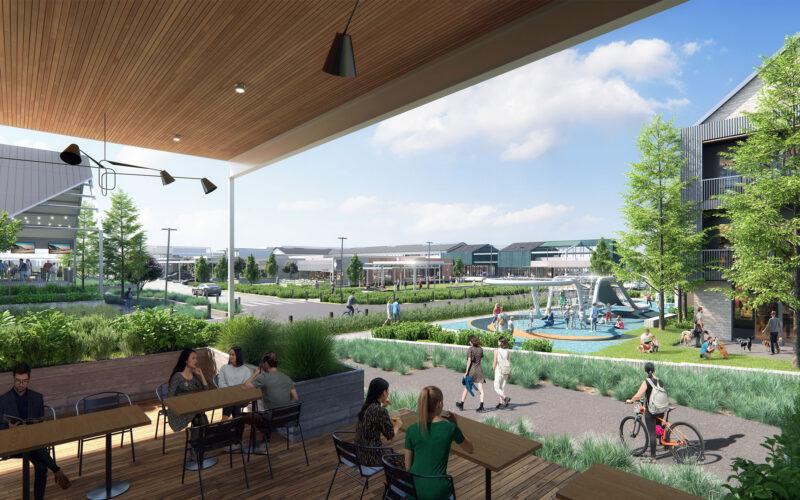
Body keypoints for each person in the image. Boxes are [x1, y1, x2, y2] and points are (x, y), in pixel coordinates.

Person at [0, 363, 71, 499]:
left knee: (41, 466)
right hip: (13, 444)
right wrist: (9, 427)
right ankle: (57, 469)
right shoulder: (2, 400)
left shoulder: (37, 398)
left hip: (32, 443)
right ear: (13, 378)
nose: (21, 384)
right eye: (18, 381)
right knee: (37, 450)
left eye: (24, 381)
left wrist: (39, 426)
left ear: (29, 380)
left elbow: (39, 422)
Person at [404, 386, 473, 500]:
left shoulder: (411, 429)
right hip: (437, 492)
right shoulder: (449, 428)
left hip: (412, 490)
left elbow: (408, 467)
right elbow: (470, 448)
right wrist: (456, 425)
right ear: (439, 404)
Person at [354, 378, 402, 466]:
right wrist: (397, 426)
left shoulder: (366, 407)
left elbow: (373, 417)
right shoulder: (379, 411)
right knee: (405, 460)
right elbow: (390, 436)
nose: (388, 393)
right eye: (388, 391)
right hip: (372, 457)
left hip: (359, 453)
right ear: (384, 392)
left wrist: (383, 407)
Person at [625, 362, 666, 462]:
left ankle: (653, 458)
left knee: (651, 433)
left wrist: (631, 400)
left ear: (645, 371)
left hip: (651, 411)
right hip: (660, 409)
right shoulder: (660, 381)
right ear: (654, 369)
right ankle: (665, 443)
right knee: (658, 426)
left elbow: (638, 395)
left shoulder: (647, 381)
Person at [166, 349, 209, 432]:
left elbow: (205, 389)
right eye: (193, 358)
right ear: (186, 361)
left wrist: (201, 374)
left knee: (200, 417)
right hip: (177, 409)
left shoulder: (193, 376)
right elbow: (169, 397)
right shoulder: (177, 376)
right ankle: (205, 440)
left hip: (190, 406)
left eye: (196, 358)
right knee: (199, 416)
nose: (196, 361)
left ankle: (202, 441)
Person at [218, 346, 252, 420]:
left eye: (233, 354)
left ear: (238, 355)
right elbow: (221, 383)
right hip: (227, 395)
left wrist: (235, 393)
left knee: (234, 400)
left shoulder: (246, 370)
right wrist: (231, 392)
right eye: (230, 354)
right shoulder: (224, 368)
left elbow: (246, 386)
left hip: (242, 397)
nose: (230, 356)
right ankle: (237, 423)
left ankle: (223, 421)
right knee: (234, 401)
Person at [456, 335, 485, 412]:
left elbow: (469, 361)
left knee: (467, 387)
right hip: (479, 370)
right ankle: (481, 405)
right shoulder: (481, 349)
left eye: (469, 341)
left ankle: (461, 404)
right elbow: (480, 360)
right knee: (480, 389)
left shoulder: (470, 349)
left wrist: (466, 372)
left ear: (471, 342)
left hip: (471, 370)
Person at [492, 337, 512, 409]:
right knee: (502, 387)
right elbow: (509, 362)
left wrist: (492, 370)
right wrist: (509, 373)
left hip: (499, 370)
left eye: (498, 341)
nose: (498, 342)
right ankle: (501, 403)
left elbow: (495, 361)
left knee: (496, 387)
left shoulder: (496, 350)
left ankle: (505, 398)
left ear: (500, 342)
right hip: (506, 370)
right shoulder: (507, 351)